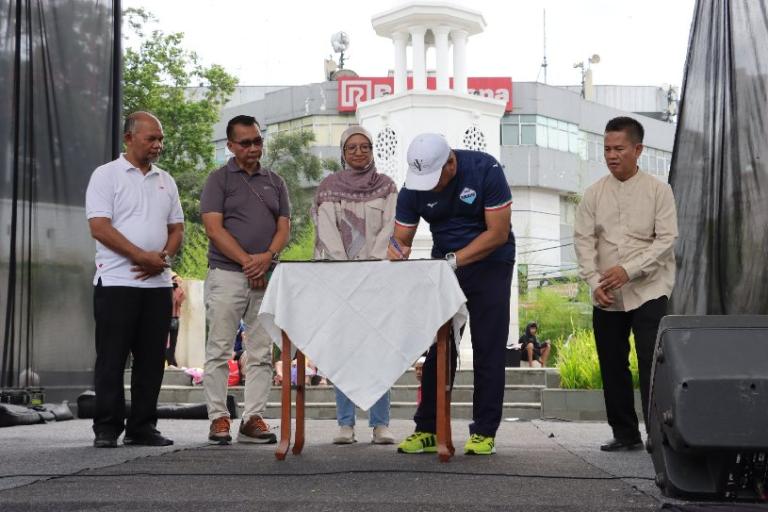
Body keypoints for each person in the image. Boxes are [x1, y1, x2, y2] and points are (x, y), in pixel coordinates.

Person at [388, 133, 516, 456]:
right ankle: (428, 428)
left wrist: (455, 260)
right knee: (439, 344)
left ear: (451, 163)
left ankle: (484, 431)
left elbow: (498, 232)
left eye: (435, 179)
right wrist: (393, 261)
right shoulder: (414, 186)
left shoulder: (485, 169)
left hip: (491, 262)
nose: (429, 187)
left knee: (488, 346)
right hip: (444, 265)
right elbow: (401, 239)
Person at [574, 116, 678, 452]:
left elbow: (666, 241)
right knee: (611, 361)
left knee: (652, 361)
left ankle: (657, 434)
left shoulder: (659, 190)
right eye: (606, 149)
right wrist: (594, 282)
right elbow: (583, 242)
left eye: (619, 148)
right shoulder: (593, 194)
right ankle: (625, 433)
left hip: (650, 288)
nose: (611, 155)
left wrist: (629, 270)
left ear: (638, 149)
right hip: (606, 291)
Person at [85, 111, 184, 448]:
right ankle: (107, 427)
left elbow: (177, 228)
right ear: (129, 138)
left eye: (160, 139)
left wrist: (163, 258)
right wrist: (139, 256)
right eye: (151, 138)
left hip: (157, 284)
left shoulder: (165, 180)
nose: (158, 145)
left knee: (151, 359)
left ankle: (142, 426)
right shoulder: (106, 175)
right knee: (112, 358)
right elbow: (99, 226)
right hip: (116, 282)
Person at [200, 115, 291, 445]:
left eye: (257, 141)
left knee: (261, 351)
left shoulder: (275, 181)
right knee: (219, 349)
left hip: (266, 275)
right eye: (246, 143)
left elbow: (283, 226)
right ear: (230, 146)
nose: (254, 148)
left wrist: (266, 259)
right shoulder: (218, 180)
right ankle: (218, 417)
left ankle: (254, 417)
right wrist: (247, 263)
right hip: (227, 274)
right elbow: (213, 228)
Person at [313, 125, 398, 445]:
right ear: (343, 152)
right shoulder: (329, 187)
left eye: (365, 146)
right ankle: (345, 424)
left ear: (372, 149)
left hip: (376, 281)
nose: (359, 152)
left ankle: (380, 425)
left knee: (378, 352)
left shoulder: (387, 187)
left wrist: (370, 268)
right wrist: (346, 270)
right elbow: (328, 232)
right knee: (343, 351)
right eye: (352, 147)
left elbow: (390, 228)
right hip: (340, 281)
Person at [165, 273, 185, 367]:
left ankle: (171, 362)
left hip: (175, 318)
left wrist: (178, 288)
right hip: (165, 318)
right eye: (175, 281)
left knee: (173, 342)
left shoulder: (178, 290)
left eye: (179, 281)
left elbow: (180, 301)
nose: (177, 282)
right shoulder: (167, 289)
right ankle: (169, 361)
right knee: (165, 342)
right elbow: (171, 300)